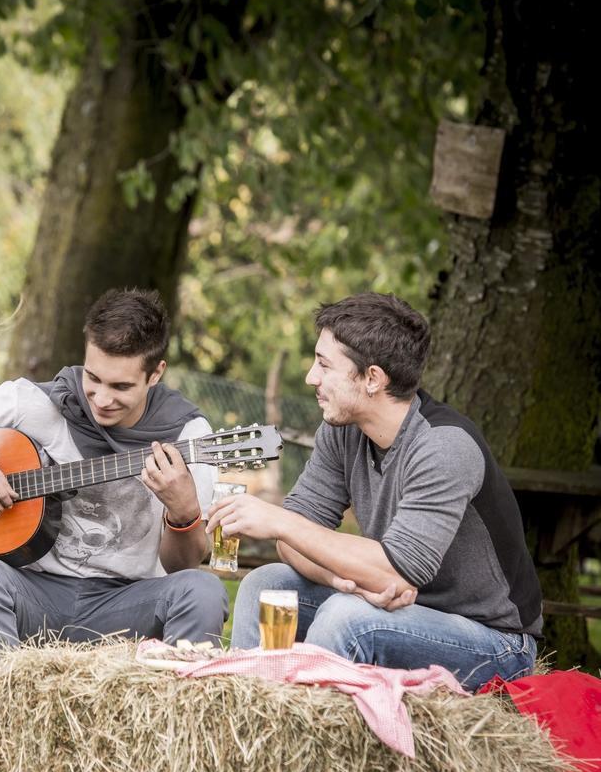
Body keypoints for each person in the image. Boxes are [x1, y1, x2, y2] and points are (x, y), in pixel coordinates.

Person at [213, 293, 541, 691]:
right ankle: (250, 717)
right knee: (265, 585)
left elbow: (395, 569)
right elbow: (293, 544)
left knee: (347, 618)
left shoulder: (444, 447)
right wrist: (342, 579)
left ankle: (304, 739)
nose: (310, 378)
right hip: (398, 610)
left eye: (324, 364)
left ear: (372, 378)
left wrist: (279, 521)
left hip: (494, 643)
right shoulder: (342, 430)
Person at [0, 288, 229, 692]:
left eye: (121, 386)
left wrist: (183, 513)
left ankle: (170, 737)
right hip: (35, 594)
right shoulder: (40, 404)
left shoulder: (188, 435)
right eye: (93, 377)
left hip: (125, 601)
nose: (100, 398)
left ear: (156, 374)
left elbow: (182, 567)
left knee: (203, 589)